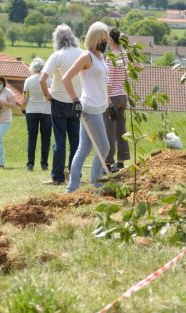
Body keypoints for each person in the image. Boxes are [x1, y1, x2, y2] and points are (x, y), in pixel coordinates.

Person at [62, 22, 111, 193]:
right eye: (101, 39)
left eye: (106, 39)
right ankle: (96, 183)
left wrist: (109, 103)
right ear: (93, 39)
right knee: (104, 147)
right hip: (89, 107)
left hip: (100, 106)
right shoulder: (86, 57)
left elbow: (101, 83)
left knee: (85, 147)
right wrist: (75, 100)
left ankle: (72, 187)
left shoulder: (100, 57)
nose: (104, 42)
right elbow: (66, 79)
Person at [40, 24, 83, 185]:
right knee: (75, 142)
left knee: (59, 142)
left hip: (58, 101)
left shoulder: (57, 55)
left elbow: (42, 79)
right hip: (77, 102)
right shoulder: (82, 54)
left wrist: (47, 94)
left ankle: (57, 176)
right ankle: (75, 175)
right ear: (72, 37)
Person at [104, 28, 130, 173]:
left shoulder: (111, 57)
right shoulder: (125, 55)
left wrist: (107, 102)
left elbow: (109, 82)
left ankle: (107, 163)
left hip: (112, 97)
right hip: (123, 96)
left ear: (110, 40)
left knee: (109, 130)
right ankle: (121, 161)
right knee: (121, 130)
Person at [22, 58, 52, 172]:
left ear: (32, 68)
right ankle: (44, 163)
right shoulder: (49, 80)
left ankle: (30, 164)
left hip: (31, 110)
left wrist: (22, 108)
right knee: (46, 138)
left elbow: (25, 97)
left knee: (32, 138)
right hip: (46, 110)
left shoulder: (28, 80)